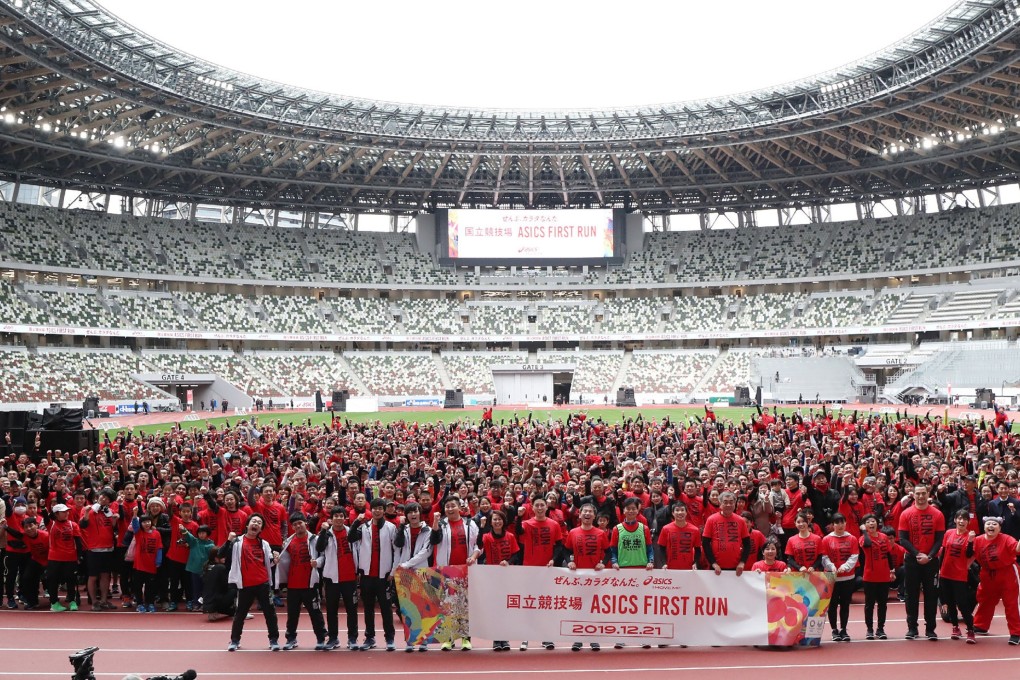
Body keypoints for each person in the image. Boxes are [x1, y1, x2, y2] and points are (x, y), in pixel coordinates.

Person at [220, 514, 280, 652]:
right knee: (240, 613)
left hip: (263, 584)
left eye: (259, 523)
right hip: (245, 584)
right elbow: (221, 554)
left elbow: (269, 562)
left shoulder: (264, 544)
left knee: (270, 613)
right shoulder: (237, 542)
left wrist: (275, 559)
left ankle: (273, 639)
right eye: (254, 521)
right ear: (247, 525)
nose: (256, 524)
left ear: (260, 529)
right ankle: (235, 640)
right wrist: (228, 540)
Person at [430, 497, 480, 651]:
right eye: (447, 506)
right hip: (446, 570)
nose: (450, 509)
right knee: (447, 605)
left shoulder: (470, 524)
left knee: (464, 605)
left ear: (459, 507)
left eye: (453, 506)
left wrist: (473, 557)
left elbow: (478, 545)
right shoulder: (442, 524)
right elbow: (433, 541)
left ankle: (465, 638)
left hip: (466, 569)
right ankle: (448, 638)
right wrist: (435, 524)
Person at [349, 498, 398, 652]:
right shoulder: (364, 527)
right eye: (375, 508)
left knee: (386, 608)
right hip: (367, 575)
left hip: (384, 575)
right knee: (368, 608)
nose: (377, 511)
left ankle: (389, 638)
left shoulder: (391, 527)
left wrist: (393, 571)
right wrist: (356, 522)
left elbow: (396, 549)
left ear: (384, 510)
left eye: (380, 508)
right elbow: (350, 538)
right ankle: (370, 637)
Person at [898, 484, 945, 640]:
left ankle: (930, 628)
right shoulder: (906, 514)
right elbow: (903, 539)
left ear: (928, 494)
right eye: (918, 494)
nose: (921, 496)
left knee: (931, 595)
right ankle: (912, 628)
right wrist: (918, 554)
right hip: (912, 560)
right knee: (911, 595)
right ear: (914, 495)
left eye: (923, 493)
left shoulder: (937, 514)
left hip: (931, 560)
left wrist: (929, 556)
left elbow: (939, 539)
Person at [516, 496, 563, 651]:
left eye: (543, 505)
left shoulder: (554, 524)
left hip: (547, 570)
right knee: (529, 604)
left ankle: (547, 637)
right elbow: (518, 532)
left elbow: (558, 546)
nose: (540, 508)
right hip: (530, 569)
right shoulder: (526, 523)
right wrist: (519, 516)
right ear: (532, 507)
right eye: (537, 505)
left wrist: (553, 560)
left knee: (546, 604)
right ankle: (526, 637)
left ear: (546, 506)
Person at [276, 513, 327, 651]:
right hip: (293, 584)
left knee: (315, 612)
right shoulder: (288, 542)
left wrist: (317, 563)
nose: (298, 526)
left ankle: (321, 638)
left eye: (300, 523)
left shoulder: (315, 539)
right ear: (292, 527)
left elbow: (323, 556)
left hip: (309, 583)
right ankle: (291, 638)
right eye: (295, 524)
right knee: (292, 614)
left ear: (306, 523)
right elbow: (284, 561)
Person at [566, 503, 610, 651]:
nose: (587, 513)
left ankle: (593, 638)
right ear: (580, 515)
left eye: (590, 511)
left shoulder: (600, 533)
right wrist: (570, 561)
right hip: (577, 578)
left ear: (594, 516)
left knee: (593, 608)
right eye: (584, 511)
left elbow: (608, 552)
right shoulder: (573, 532)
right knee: (579, 607)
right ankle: (578, 639)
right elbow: (566, 551)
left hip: (595, 577)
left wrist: (603, 563)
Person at [316, 507, 360, 651]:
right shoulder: (326, 533)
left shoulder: (352, 532)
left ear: (345, 518)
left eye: (341, 516)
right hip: (331, 577)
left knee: (351, 610)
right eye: (336, 516)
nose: (339, 518)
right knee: (331, 610)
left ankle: (352, 638)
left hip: (349, 577)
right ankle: (333, 638)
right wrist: (323, 531)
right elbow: (319, 548)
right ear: (331, 518)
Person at [971, 516, 1020, 645]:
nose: (991, 526)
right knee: (985, 599)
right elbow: (969, 555)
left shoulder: (1006, 539)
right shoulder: (978, 540)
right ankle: (981, 625)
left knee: (1011, 604)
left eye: (994, 524)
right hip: (987, 573)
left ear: (1000, 527)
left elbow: (1017, 549)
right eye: (988, 524)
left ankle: (1016, 633)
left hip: (1007, 573)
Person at [394, 502, 433, 652]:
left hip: (421, 571)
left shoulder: (428, 530)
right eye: (409, 512)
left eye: (415, 511)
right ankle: (411, 640)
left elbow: (426, 551)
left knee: (423, 608)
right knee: (408, 608)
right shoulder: (403, 530)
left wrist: (408, 564)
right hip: (404, 572)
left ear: (420, 513)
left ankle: (423, 640)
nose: (412, 514)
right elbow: (397, 548)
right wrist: (397, 568)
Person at [480, 509, 519, 652]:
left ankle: (505, 637)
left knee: (506, 608)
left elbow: (516, 554)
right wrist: (481, 527)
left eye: (499, 519)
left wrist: (508, 562)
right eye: (494, 519)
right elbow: (478, 548)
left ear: (504, 521)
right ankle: (496, 638)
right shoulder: (486, 537)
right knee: (495, 608)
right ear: (491, 522)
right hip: (491, 577)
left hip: (507, 577)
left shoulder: (510, 536)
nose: (497, 522)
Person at [938, 509, 976, 643]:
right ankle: (955, 627)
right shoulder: (948, 533)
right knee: (950, 603)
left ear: (968, 522)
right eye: (959, 518)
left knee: (963, 604)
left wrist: (971, 541)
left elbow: (969, 555)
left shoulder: (970, 536)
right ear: (955, 520)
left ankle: (970, 629)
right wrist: (939, 570)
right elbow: (943, 552)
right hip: (945, 573)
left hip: (959, 575)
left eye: (964, 519)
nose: (961, 521)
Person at [821, 513, 858, 642]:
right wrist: (831, 567)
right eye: (837, 523)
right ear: (832, 525)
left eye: (842, 522)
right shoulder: (826, 539)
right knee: (832, 605)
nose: (840, 525)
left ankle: (843, 629)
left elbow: (854, 556)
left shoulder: (852, 538)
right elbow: (824, 557)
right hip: (831, 577)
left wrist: (845, 567)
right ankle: (834, 630)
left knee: (845, 604)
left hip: (847, 577)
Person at [859, 513, 895, 640]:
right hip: (869, 576)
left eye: (873, 521)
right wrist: (864, 532)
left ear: (877, 523)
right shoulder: (863, 538)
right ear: (864, 525)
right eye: (868, 522)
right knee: (869, 604)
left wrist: (892, 570)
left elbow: (889, 554)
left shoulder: (884, 537)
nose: (871, 523)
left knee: (882, 604)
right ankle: (869, 629)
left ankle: (880, 629)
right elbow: (868, 544)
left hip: (884, 576)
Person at [702, 491, 751, 575]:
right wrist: (713, 563)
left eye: (731, 502)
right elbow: (705, 543)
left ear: (735, 503)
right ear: (720, 503)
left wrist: (742, 562)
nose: (728, 505)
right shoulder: (711, 519)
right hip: (716, 567)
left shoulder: (740, 520)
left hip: (736, 568)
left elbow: (747, 544)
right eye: (725, 502)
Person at [46, 503, 83, 612]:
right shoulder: (51, 524)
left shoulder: (73, 525)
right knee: (53, 580)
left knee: (71, 580)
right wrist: (44, 507)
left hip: (70, 558)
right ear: (56, 514)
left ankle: (72, 601)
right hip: (54, 558)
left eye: (67, 511)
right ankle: (54, 603)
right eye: (63, 512)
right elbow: (45, 516)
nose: (67, 513)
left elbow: (78, 542)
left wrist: (79, 556)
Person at [178, 524, 215, 612]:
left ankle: (204, 604)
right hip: (195, 570)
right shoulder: (194, 542)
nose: (201, 535)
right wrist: (183, 529)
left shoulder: (211, 545)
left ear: (208, 533)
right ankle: (196, 604)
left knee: (205, 589)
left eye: (203, 533)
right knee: (195, 588)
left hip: (206, 571)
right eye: (199, 533)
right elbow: (188, 535)